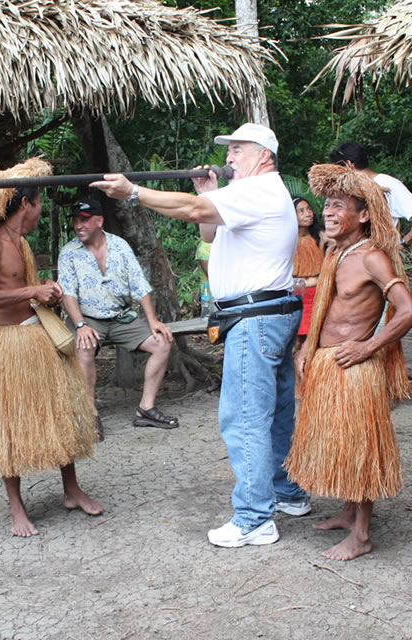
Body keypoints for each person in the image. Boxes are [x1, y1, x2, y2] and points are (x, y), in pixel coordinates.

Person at [91, 122, 308, 548]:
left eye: (238, 150)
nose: (229, 158)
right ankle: (285, 492)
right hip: (269, 315)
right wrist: (210, 195)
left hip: (256, 318)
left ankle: (254, 517)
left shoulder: (259, 189)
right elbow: (207, 228)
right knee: (276, 412)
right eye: (229, 151)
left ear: (263, 154)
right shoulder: (255, 193)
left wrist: (133, 192)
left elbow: (192, 211)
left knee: (244, 416)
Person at [0, 158, 102, 538]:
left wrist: (44, 296)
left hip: (36, 337)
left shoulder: (23, 245)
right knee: (9, 425)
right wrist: (33, 290)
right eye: (39, 203)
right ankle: (16, 508)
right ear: (26, 203)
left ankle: (72, 490)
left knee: (60, 412)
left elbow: (22, 293)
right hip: (7, 346)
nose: (41, 209)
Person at [286, 163, 412, 561]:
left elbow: (409, 311)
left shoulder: (372, 258)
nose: (327, 211)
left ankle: (361, 534)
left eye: (339, 205)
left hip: (354, 366)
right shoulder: (335, 252)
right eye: (326, 203)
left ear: (363, 215)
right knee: (343, 445)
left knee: (360, 449)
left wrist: (369, 347)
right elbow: (326, 309)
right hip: (328, 362)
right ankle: (348, 514)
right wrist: (305, 349)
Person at [58, 198, 179, 439]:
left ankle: (146, 408)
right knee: (84, 345)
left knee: (162, 342)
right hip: (88, 318)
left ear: (99, 221)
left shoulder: (119, 246)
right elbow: (67, 293)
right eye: (76, 221)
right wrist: (80, 324)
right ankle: (89, 414)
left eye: (84, 220)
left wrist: (153, 320)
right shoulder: (69, 252)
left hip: (121, 317)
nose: (78, 225)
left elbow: (139, 284)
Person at [329, 141, 412, 247]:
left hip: (380, 255)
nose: (338, 174)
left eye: (339, 169)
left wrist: (403, 243)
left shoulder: (387, 183)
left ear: (349, 165)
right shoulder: (350, 188)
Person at [292, 195, 325, 357]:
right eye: (301, 211)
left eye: (309, 209)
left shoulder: (321, 237)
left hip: (317, 295)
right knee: (296, 341)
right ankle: (297, 381)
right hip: (296, 295)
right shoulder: (286, 240)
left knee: (314, 340)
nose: (307, 213)